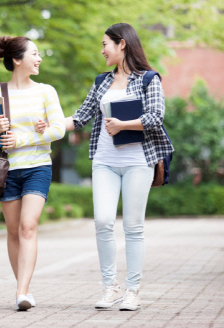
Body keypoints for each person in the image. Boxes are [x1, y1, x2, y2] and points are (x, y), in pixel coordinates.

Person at [36, 23, 174, 311]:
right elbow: (81, 116)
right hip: (105, 161)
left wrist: (123, 124)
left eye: (105, 45)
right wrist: (51, 125)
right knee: (102, 221)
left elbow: (156, 116)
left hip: (138, 161)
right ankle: (110, 287)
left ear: (121, 44)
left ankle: (133, 290)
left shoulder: (149, 79)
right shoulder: (101, 82)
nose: (102, 51)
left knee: (133, 227)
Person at [0, 36, 66, 311]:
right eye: (35, 53)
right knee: (13, 231)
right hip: (6, 171)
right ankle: (25, 288)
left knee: (28, 226)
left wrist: (26, 138)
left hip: (37, 167)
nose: (39, 58)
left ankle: (21, 292)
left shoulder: (46, 92)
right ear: (17, 60)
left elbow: (58, 130)